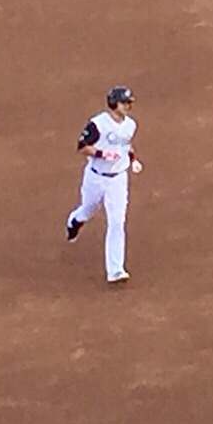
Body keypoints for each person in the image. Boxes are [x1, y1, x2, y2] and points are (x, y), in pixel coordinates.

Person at [65, 86, 143, 284]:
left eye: (129, 103)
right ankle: (75, 220)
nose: (128, 106)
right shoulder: (98, 124)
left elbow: (126, 144)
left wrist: (133, 159)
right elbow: (82, 146)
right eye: (124, 102)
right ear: (114, 104)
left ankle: (116, 270)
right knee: (88, 209)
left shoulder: (130, 125)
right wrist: (101, 154)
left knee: (117, 222)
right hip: (95, 177)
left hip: (118, 179)